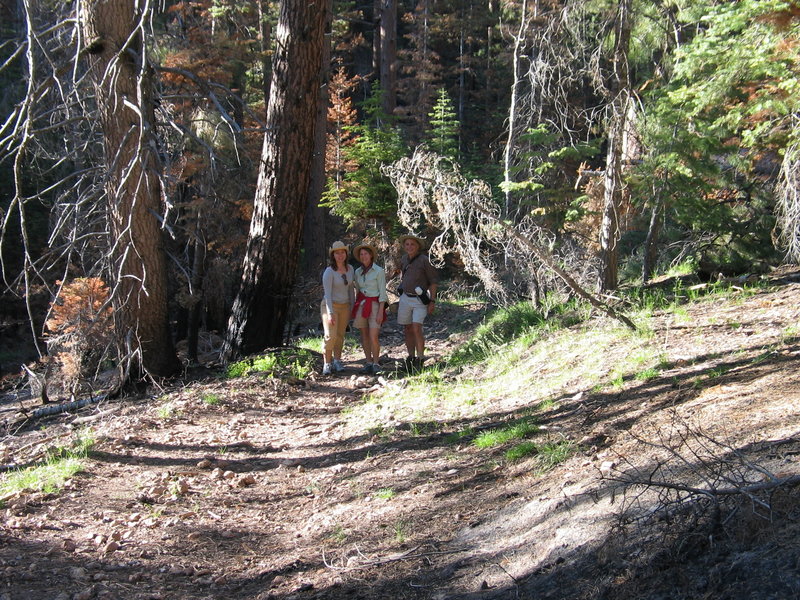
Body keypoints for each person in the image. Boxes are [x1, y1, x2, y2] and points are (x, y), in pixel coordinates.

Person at [396, 234, 439, 370]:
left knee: (416, 327)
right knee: (407, 328)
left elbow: (433, 281)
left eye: (412, 244)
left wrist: (432, 300)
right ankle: (410, 357)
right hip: (405, 298)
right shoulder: (404, 260)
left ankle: (420, 358)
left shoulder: (424, 261)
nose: (409, 247)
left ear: (418, 246)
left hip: (420, 300)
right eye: (407, 244)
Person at [352, 243, 387, 375]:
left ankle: (376, 362)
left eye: (366, 253)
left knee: (374, 336)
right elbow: (358, 290)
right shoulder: (358, 272)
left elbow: (382, 293)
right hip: (362, 304)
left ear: (371, 255)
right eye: (361, 254)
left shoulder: (379, 271)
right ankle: (368, 362)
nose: (363, 256)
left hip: (375, 305)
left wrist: (380, 312)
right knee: (364, 335)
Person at [320, 241, 355, 375]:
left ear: (346, 254)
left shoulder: (350, 269)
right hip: (330, 306)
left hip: (345, 306)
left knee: (340, 335)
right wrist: (330, 312)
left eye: (342, 252)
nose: (340, 255)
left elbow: (351, 290)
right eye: (337, 253)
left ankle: (337, 360)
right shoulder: (329, 272)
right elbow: (327, 294)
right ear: (333, 255)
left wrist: (353, 307)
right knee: (330, 335)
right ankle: (327, 363)